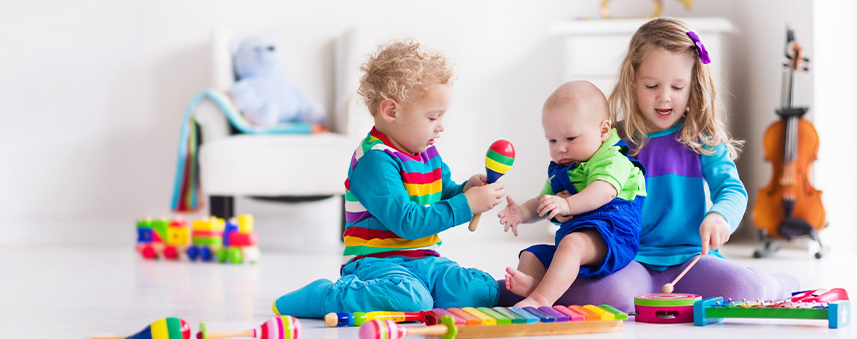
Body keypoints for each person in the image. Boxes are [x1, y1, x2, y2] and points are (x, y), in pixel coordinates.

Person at [497, 18, 800, 312]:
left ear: (693, 86)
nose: (664, 97)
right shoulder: (610, 141)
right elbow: (578, 189)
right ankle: (521, 288)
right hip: (630, 260)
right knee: (610, 297)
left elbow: (732, 189)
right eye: (652, 85)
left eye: (678, 87)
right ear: (632, 82)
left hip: (691, 259)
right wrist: (561, 204)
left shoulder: (701, 140)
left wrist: (720, 217)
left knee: (743, 289)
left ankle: (779, 284)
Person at [273, 39, 506, 318]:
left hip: (425, 260)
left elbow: (444, 194)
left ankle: (440, 292)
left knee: (482, 292)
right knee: (412, 300)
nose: (441, 127)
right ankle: (326, 296)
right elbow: (407, 222)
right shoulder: (375, 161)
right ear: (391, 111)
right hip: (376, 264)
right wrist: (467, 205)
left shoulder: (427, 152)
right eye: (433, 117)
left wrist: (467, 190)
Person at [497, 80, 647, 308]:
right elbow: (543, 202)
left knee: (571, 245)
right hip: (577, 236)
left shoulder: (612, 159)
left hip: (613, 235)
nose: (560, 148)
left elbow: (603, 192)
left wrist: (566, 206)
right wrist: (522, 213)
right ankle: (533, 285)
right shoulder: (563, 169)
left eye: (570, 138)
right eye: (552, 140)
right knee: (531, 254)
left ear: (603, 131)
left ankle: (540, 299)